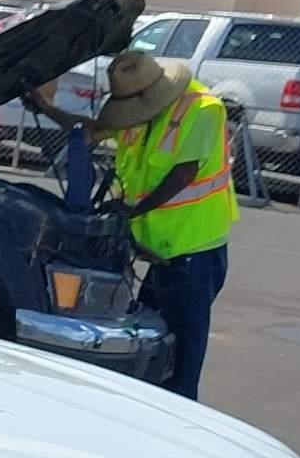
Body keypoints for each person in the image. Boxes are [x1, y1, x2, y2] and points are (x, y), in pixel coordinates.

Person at [91, 49, 238, 401]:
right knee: (153, 342)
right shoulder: (141, 114)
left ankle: (179, 419)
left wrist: (132, 212)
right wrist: (47, 108)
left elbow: (183, 173)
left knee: (183, 355)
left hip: (193, 250)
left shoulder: (203, 109)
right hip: (159, 249)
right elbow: (92, 133)